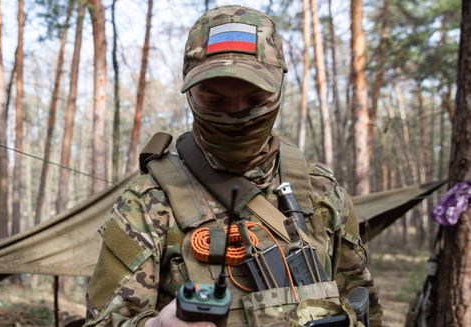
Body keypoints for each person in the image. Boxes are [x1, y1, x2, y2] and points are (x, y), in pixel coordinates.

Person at [84, 5, 384, 327]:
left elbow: (360, 301)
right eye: (215, 102)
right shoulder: (148, 202)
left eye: (255, 100)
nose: (237, 115)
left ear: (278, 88)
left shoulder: (320, 190)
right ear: (189, 92)